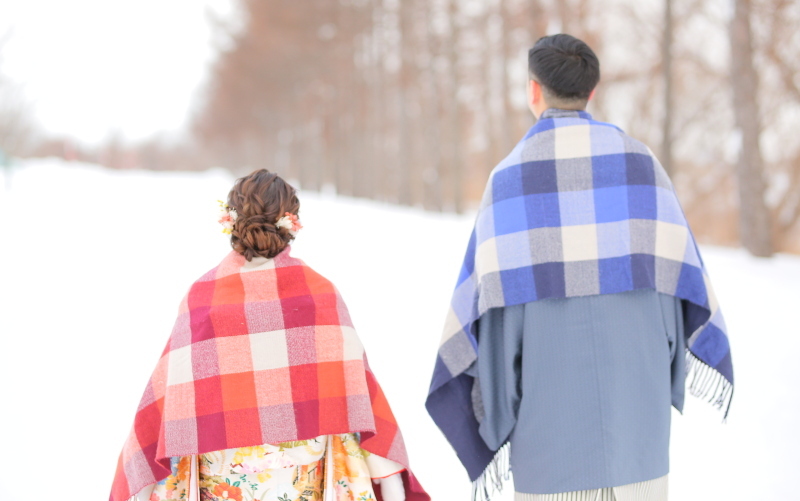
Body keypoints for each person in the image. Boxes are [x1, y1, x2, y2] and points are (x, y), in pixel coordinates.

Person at [425, 34, 734, 501]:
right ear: (592, 90)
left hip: (551, 430)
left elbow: (493, 316)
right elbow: (677, 287)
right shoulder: (641, 165)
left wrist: (501, 408)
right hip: (639, 421)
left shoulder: (510, 179)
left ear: (534, 90)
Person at [110, 169, 429, 501]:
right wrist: (388, 479)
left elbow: (169, 401)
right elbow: (356, 395)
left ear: (230, 221)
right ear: (292, 223)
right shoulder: (319, 294)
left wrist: (142, 484)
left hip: (223, 485)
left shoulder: (203, 298)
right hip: (303, 484)